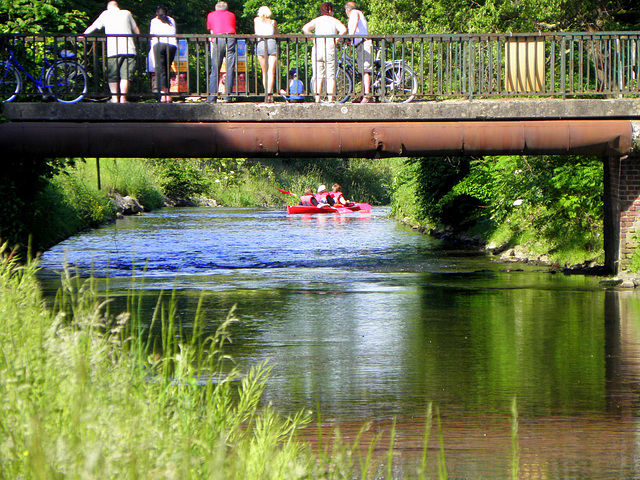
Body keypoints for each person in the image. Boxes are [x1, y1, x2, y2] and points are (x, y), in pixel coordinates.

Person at [83, 0, 140, 103]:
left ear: (108, 7)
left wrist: (83, 35)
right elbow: (136, 29)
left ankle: (114, 98)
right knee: (125, 75)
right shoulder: (127, 13)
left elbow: (93, 26)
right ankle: (123, 98)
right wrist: (138, 38)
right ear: (117, 6)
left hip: (113, 49)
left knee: (112, 75)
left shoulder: (105, 14)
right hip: (129, 48)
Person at [302, 2, 346, 103]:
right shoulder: (333, 20)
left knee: (318, 75)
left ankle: (317, 99)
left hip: (318, 48)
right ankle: (330, 100)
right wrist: (336, 40)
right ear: (330, 11)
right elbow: (343, 30)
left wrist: (313, 39)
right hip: (330, 48)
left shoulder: (317, 20)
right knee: (330, 76)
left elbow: (305, 28)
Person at [206, 1, 236, 103]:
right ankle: (228, 96)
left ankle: (212, 97)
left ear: (216, 8)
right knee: (230, 67)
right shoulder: (232, 15)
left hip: (218, 38)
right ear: (226, 8)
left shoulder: (211, 15)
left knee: (215, 68)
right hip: (231, 37)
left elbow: (211, 31)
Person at [344, 2, 372, 103]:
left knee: (365, 69)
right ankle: (362, 95)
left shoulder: (355, 12)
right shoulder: (356, 13)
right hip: (360, 44)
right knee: (362, 70)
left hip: (364, 43)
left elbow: (355, 22)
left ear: (347, 10)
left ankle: (367, 95)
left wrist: (350, 36)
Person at [150, 5, 177, 103]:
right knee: (167, 68)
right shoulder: (171, 20)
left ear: (157, 13)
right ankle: (168, 94)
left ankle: (163, 94)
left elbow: (152, 33)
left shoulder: (154, 21)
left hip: (159, 44)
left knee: (160, 69)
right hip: (171, 45)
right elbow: (174, 32)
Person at [254, 6, 279, 103]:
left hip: (261, 43)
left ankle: (266, 94)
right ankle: (269, 94)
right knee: (271, 71)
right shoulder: (273, 22)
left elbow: (256, 32)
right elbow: (277, 33)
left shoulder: (256, 20)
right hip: (271, 42)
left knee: (264, 71)